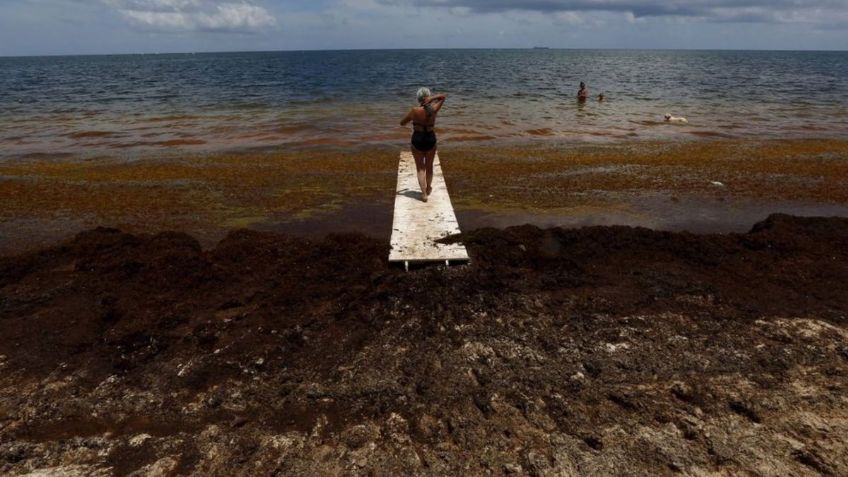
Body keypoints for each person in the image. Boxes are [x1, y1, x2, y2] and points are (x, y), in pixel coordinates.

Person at [400, 87, 447, 202]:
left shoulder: (414, 111)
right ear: (428, 97)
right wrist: (432, 98)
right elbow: (443, 96)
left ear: (418, 98)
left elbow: (402, 123)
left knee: (420, 168)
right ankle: (429, 187)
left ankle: (424, 194)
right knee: (429, 166)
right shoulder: (434, 109)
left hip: (417, 139)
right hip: (430, 138)